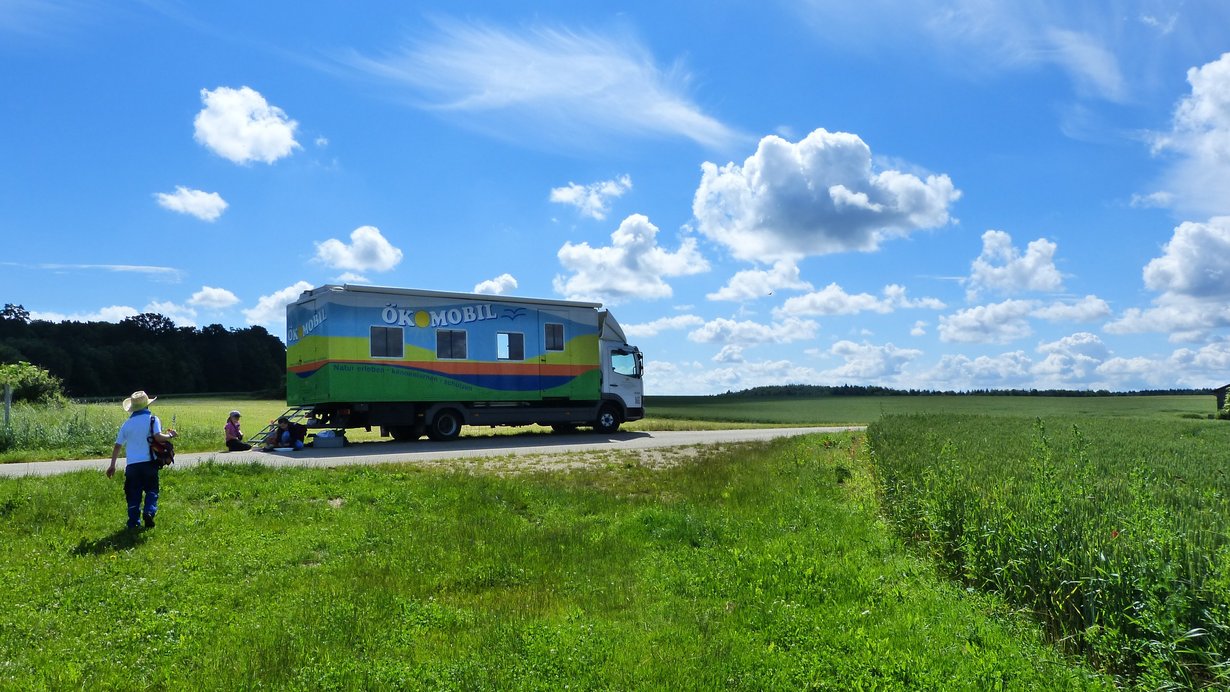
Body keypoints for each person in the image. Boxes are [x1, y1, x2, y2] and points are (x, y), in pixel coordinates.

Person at [107, 390, 177, 530]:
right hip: (149, 463)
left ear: (132, 407)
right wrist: (170, 435)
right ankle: (149, 511)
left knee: (133, 493)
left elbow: (117, 446)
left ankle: (133, 522)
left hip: (132, 466)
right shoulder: (153, 419)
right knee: (152, 489)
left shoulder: (126, 424)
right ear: (147, 405)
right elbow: (158, 437)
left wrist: (112, 465)